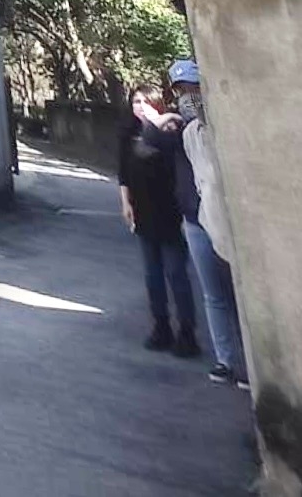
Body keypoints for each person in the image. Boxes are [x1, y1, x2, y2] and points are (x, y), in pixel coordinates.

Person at [169, 59, 249, 388]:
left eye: (192, 89)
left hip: (228, 222)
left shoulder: (226, 129)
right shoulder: (185, 133)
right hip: (196, 220)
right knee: (213, 294)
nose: (187, 98)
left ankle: (251, 364)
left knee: (238, 293)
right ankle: (225, 360)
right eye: (181, 92)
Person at [118, 84, 200, 357]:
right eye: (136, 101)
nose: (140, 106)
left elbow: (174, 162)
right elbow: (123, 172)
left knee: (176, 273)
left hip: (170, 213)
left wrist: (164, 118)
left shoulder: (169, 132)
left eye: (146, 101)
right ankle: (161, 325)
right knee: (152, 274)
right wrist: (125, 203)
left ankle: (187, 331)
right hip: (143, 213)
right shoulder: (128, 134)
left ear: (157, 104)